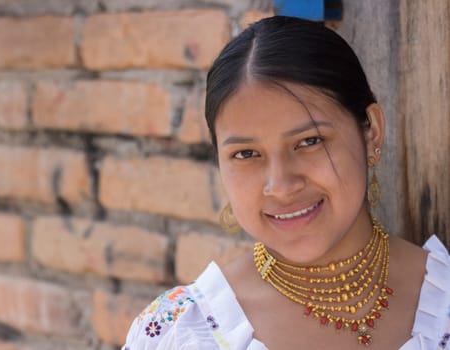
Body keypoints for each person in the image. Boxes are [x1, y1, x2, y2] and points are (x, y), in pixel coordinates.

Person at [122, 16, 450, 349]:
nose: (280, 185)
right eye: (246, 153)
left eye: (309, 141)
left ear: (371, 133)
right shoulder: (178, 335)